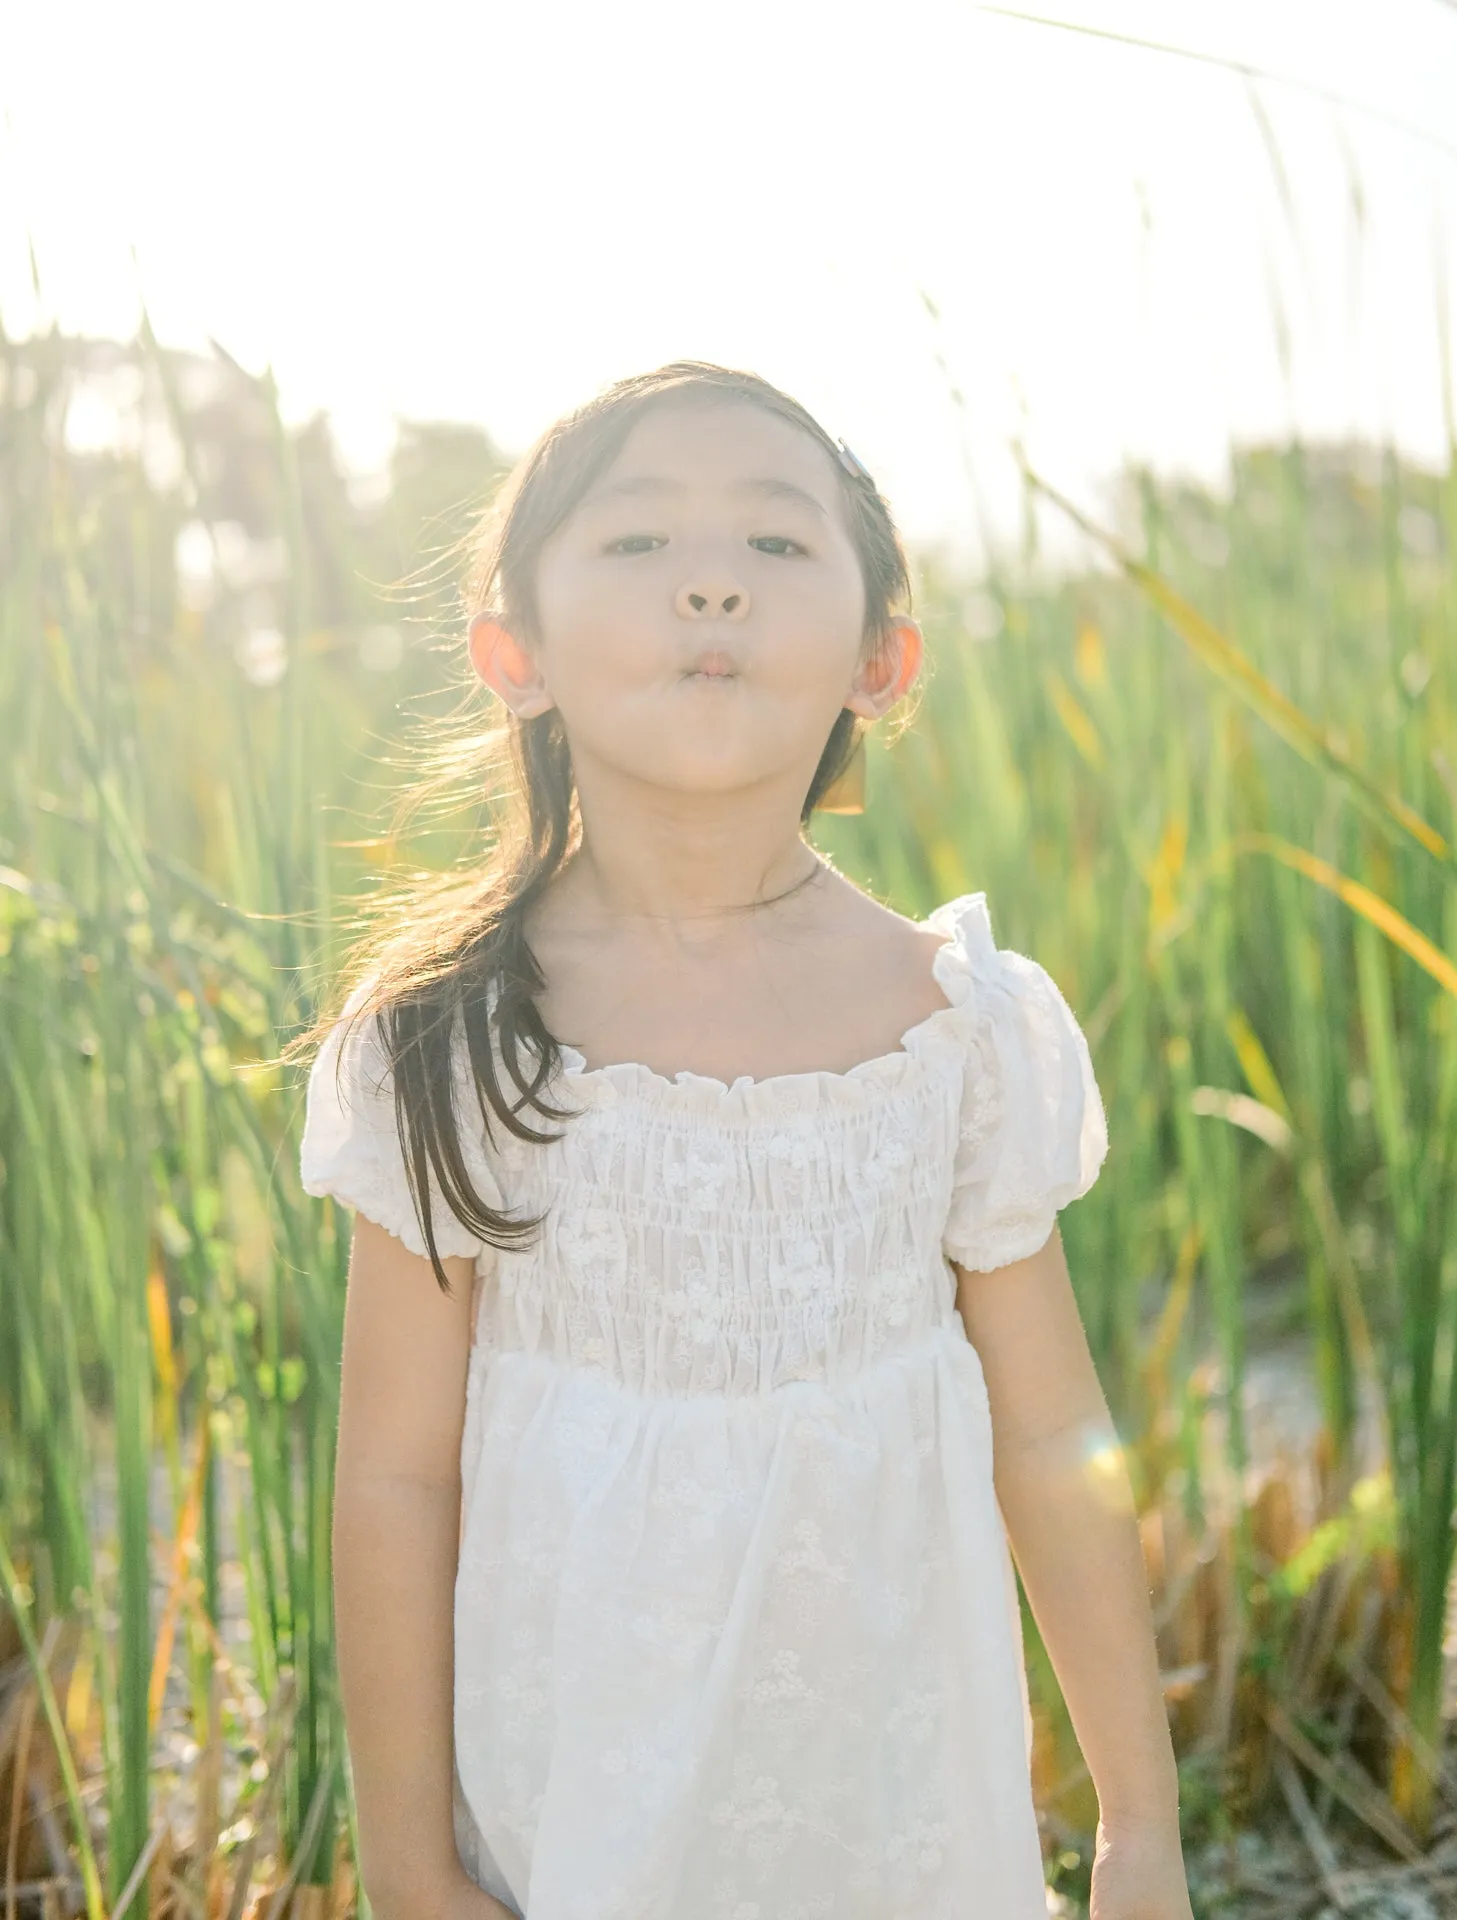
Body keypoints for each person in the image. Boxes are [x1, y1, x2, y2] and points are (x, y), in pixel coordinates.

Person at [296, 362, 1193, 1920]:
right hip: (574, 1787)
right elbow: (395, 1475)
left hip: (893, 1795)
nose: (712, 580)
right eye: (638, 544)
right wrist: (406, 1860)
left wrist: (1137, 1829)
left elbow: (1052, 1440)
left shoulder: (958, 1026)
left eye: (778, 547)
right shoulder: (451, 1034)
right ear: (513, 654)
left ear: (881, 661)